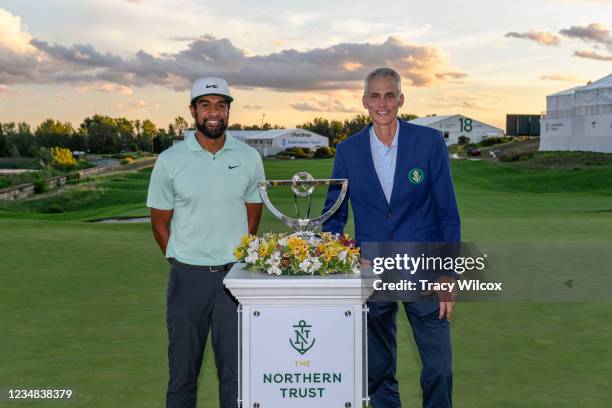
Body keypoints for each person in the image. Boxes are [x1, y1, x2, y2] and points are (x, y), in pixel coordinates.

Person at [322, 67, 460, 408]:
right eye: (375, 95)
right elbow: (333, 217)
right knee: (379, 373)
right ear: (364, 101)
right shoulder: (348, 151)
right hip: (372, 274)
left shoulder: (428, 142)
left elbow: (447, 211)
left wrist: (448, 271)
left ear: (400, 99)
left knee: (439, 369)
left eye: (389, 95)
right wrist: (349, 258)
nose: (382, 103)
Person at [147, 76, 265, 408]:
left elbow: (252, 215)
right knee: (183, 374)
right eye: (205, 105)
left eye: (220, 105)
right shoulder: (170, 160)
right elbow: (159, 221)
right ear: (193, 111)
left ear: (228, 111)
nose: (213, 112)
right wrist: (182, 259)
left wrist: (235, 254)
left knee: (236, 375)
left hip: (234, 279)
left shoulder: (248, 157)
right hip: (188, 279)